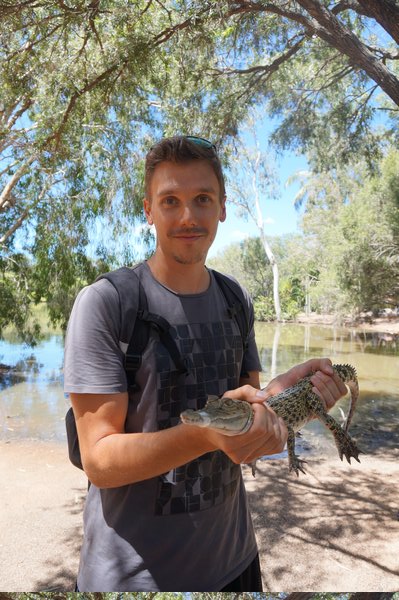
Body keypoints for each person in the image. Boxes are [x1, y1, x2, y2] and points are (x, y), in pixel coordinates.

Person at [63, 135, 347, 592]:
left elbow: (250, 427)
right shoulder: (107, 303)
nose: (188, 216)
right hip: (133, 579)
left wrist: (292, 401)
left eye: (202, 199)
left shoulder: (236, 299)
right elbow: (98, 459)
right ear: (148, 210)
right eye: (170, 200)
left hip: (235, 561)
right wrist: (203, 435)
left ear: (223, 207)